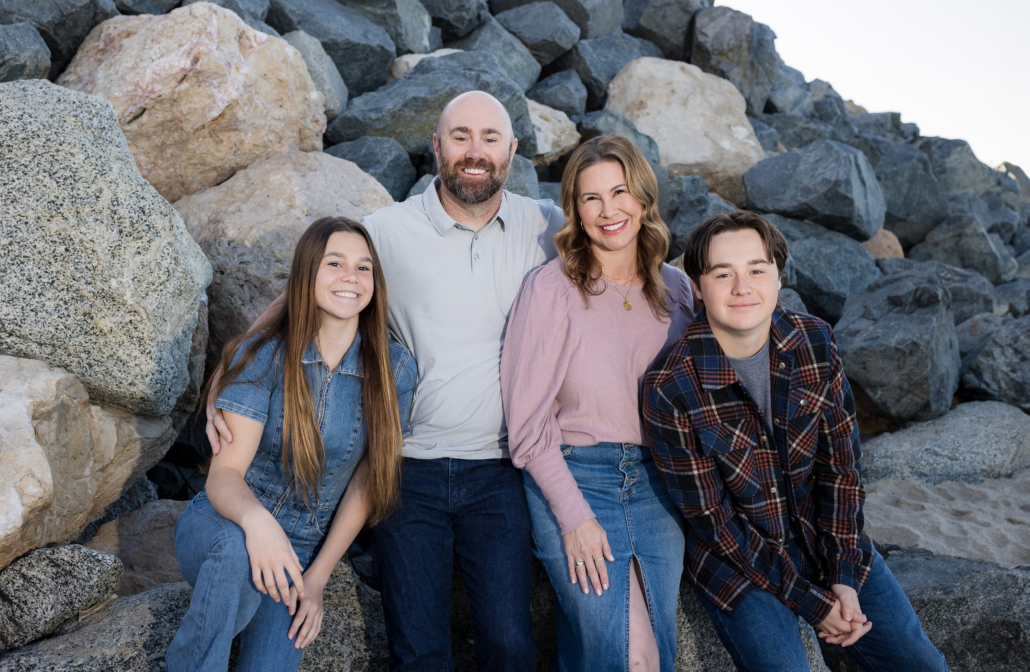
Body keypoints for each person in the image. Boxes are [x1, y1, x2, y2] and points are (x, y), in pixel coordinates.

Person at [207, 91, 564, 670]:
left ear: (513, 150)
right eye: (461, 137)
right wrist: (224, 377)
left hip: (500, 469)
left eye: (491, 139)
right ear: (436, 147)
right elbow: (299, 297)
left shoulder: (545, 226)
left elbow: (614, 259)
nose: (475, 151)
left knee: (510, 645)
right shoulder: (386, 233)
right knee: (417, 649)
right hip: (404, 470)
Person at [641, 211, 948, 672]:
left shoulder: (815, 342)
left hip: (824, 538)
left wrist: (842, 575)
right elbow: (717, 526)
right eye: (723, 274)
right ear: (698, 287)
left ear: (778, 277)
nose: (742, 287)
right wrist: (810, 601)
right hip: (740, 566)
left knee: (921, 664)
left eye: (757, 270)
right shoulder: (670, 387)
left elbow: (841, 470)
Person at [168, 217, 416, 672]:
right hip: (226, 521)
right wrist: (258, 524)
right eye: (335, 263)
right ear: (306, 275)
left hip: (300, 549)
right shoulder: (265, 354)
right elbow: (224, 477)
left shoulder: (394, 369)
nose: (351, 277)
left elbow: (367, 480)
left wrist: (317, 578)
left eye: (364, 268)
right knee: (237, 552)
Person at [500, 134, 695, 671]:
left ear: (643, 199)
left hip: (659, 486)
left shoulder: (678, 291)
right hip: (575, 478)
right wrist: (574, 518)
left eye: (620, 192)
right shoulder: (552, 288)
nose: (609, 211)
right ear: (575, 210)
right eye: (591, 198)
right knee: (630, 657)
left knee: (643, 649)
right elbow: (527, 426)